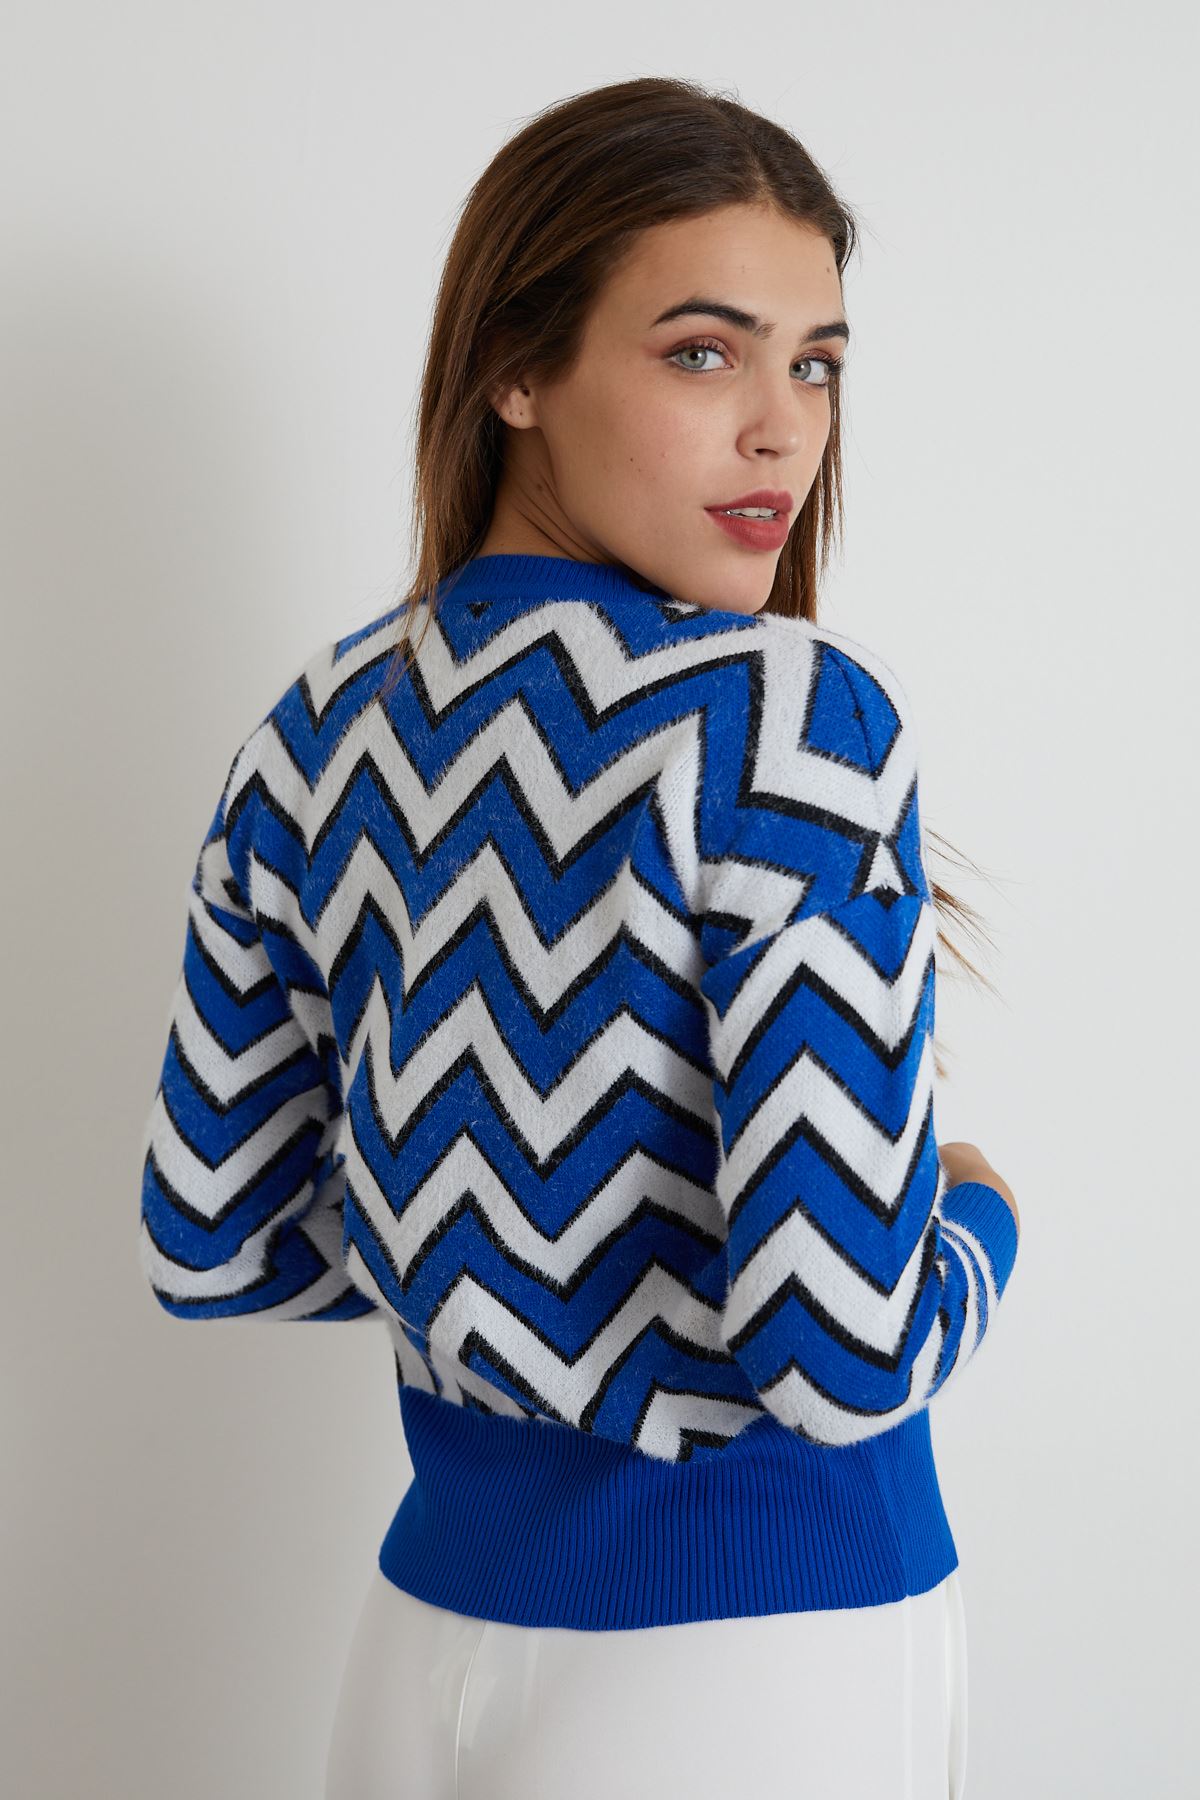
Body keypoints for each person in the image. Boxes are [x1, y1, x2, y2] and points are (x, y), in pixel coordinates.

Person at [139, 76, 1021, 1800]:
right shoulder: (786, 718)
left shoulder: (318, 728)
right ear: (515, 370)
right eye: (703, 353)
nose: (780, 430)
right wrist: (979, 1216)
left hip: (425, 1638)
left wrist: (506, 1237)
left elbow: (219, 1237)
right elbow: (846, 1353)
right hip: (766, 1644)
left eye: (816, 364)